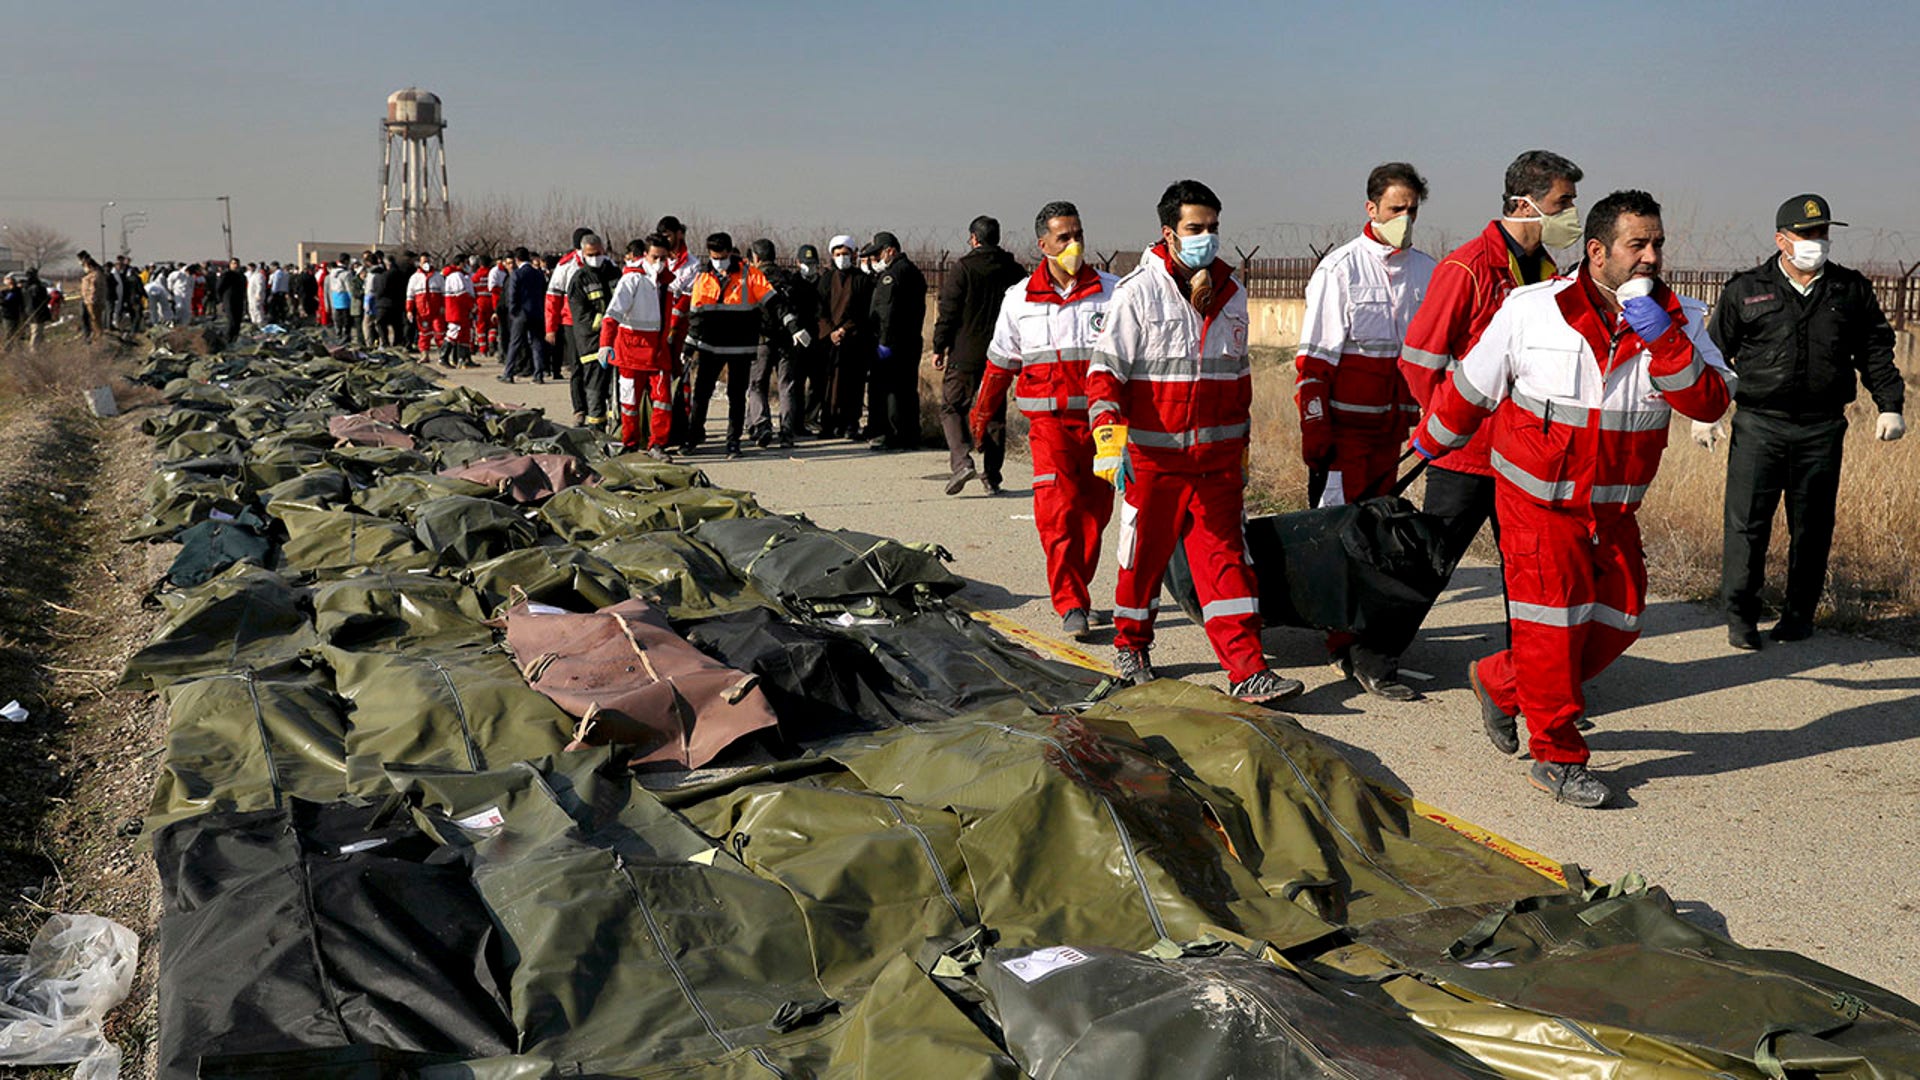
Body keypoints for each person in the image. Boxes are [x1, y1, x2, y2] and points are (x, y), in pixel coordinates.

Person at [1414, 190, 1733, 808]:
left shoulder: (1684, 319)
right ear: (1596, 252)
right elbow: (1471, 386)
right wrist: (1428, 444)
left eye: (1658, 245)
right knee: (1552, 630)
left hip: (1613, 511)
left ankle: (1498, 681)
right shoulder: (1532, 310)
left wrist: (1665, 341)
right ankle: (1555, 757)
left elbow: (1710, 402)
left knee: (1618, 621)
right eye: (1637, 245)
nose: (1651, 258)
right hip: (1537, 504)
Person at [1086, 179, 1302, 704]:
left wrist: (1244, 451)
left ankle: (1247, 670)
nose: (1206, 237)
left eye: (1213, 228)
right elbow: (1104, 375)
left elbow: (1239, 378)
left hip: (1217, 466)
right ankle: (1130, 647)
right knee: (1142, 562)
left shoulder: (1232, 293)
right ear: (1169, 233)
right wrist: (1109, 443)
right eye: (1195, 228)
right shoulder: (1138, 293)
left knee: (1227, 565)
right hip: (1153, 462)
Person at [1705, 195, 1905, 650]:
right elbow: (1715, 354)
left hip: (1821, 428)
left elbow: (1875, 349)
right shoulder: (1746, 289)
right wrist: (1709, 412)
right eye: (1807, 234)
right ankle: (1741, 618)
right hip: (1759, 425)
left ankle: (1799, 617)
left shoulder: (1849, 290)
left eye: (1822, 233)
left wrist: (1889, 403)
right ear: (1782, 239)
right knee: (1747, 526)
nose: (1817, 242)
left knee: (1812, 526)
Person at [1402, 150, 1584, 581]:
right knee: (1431, 566)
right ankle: (1373, 649)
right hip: (1466, 456)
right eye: (1563, 203)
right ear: (1525, 204)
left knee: (1527, 568)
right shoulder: (1467, 268)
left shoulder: (1546, 271)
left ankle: (1523, 650)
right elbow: (1418, 361)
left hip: (1525, 456)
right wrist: (1449, 425)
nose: (1571, 214)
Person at [1293, 162, 1438, 701]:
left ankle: (1366, 635)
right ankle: (1342, 640)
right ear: (1371, 209)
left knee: (1380, 540)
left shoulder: (1427, 272)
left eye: (1412, 210)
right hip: (1343, 439)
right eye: (1396, 208)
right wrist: (1316, 431)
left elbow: (1428, 358)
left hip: (1393, 437)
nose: (1404, 218)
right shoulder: (1340, 271)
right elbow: (1313, 365)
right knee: (1339, 541)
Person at [971, 200, 1118, 641]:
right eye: (1063, 238)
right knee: (1058, 511)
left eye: (1078, 235)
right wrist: (982, 414)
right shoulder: (1019, 300)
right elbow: (1000, 365)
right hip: (1049, 427)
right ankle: (1070, 601)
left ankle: (1080, 588)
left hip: (1102, 425)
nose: (1074, 244)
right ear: (1043, 245)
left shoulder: (1113, 292)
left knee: (1095, 513)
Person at [934, 215, 1026, 493]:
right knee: (995, 415)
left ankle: (962, 462)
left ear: (974, 238)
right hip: (1002, 353)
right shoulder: (1015, 271)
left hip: (966, 352)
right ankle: (992, 477)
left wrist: (940, 346)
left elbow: (948, 311)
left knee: (952, 407)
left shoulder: (963, 268)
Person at [683, 231, 783, 457]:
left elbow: (773, 301)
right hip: (710, 347)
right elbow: (696, 316)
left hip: (740, 348)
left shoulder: (750, 275)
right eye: (714, 256)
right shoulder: (703, 278)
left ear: (730, 252)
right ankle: (693, 437)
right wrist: (689, 346)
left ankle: (733, 441)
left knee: (736, 397)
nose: (718, 260)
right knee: (701, 395)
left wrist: (792, 323)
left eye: (722, 255)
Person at [599, 234, 678, 457]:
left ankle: (657, 445)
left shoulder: (667, 282)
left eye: (664, 258)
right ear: (645, 255)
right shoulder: (632, 280)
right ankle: (630, 443)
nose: (659, 262)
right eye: (655, 257)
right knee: (629, 401)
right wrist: (605, 344)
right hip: (630, 351)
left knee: (663, 401)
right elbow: (612, 314)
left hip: (658, 352)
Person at [743, 238, 815, 447]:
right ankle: (786, 433)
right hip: (788, 339)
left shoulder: (753, 278)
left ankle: (762, 425)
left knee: (757, 385)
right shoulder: (788, 278)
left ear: (755, 257)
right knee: (787, 385)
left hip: (762, 340)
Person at [864, 231, 927, 451]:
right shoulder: (913, 271)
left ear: (890, 250)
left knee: (891, 390)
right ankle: (910, 435)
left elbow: (886, 312)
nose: (876, 260)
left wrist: (884, 342)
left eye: (878, 254)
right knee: (907, 389)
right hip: (911, 340)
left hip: (892, 343)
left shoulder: (893, 275)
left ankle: (893, 434)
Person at [818, 234, 875, 439]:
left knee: (854, 383)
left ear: (853, 255)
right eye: (838, 254)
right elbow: (820, 309)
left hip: (854, 340)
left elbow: (866, 311)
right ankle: (829, 424)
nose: (842, 257)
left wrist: (845, 329)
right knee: (830, 383)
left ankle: (851, 424)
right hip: (830, 342)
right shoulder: (826, 279)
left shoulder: (862, 280)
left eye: (845, 254)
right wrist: (831, 331)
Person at [562, 234, 619, 427]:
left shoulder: (614, 273)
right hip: (591, 343)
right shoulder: (579, 280)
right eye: (591, 254)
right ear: (583, 254)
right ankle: (596, 428)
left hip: (616, 342)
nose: (595, 257)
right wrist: (608, 321)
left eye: (598, 253)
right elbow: (581, 317)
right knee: (595, 388)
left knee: (617, 389)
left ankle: (616, 427)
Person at [501, 248, 547, 384]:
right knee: (537, 343)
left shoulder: (517, 274)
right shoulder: (538, 274)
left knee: (515, 343)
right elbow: (544, 292)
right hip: (537, 312)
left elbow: (512, 295)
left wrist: (513, 312)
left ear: (516, 259)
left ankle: (508, 373)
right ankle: (539, 375)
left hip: (521, 314)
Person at [441, 255, 476, 367]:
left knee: (465, 334)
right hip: (456, 309)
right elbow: (461, 295)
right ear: (461, 263)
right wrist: (472, 305)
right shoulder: (455, 276)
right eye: (466, 263)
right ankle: (443, 357)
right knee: (453, 332)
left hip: (463, 309)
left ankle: (464, 359)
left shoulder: (463, 276)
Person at [407, 255, 443, 356]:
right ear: (420, 263)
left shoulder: (438, 276)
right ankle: (424, 354)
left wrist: (443, 307)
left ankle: (443, 355)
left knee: (439, 332)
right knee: (424, 333)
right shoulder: (415, 277)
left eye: (427, 261)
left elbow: (444, 292)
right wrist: (409, 310)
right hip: (422, 311)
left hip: (436, 311)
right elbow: (410, 295)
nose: (426, 264)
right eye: (424, 262)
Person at [77, 252, 109, 343]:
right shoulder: (93, 274)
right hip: (90, 300)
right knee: (93, 319)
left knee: (95, 319)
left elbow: (93, 289)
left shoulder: (95, 275)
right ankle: (95, 335)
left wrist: (91, 300)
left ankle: (98, 336)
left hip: (93, 301)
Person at [216, 258, 247, 342]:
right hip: (229, 299)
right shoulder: (226, 275)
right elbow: (219, 287)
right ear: (230, 265)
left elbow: (244, 288)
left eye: (237, 263)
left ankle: (234, 339)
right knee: (232, 321)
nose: (235, 265)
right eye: (233, 263)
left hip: (239, 300)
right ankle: (227, 339)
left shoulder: (242, 276)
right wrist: (220, 299)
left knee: (238, 321)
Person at [0, 273, 23, 349]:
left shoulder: (16, 291)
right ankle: (8, 349)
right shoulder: (5, 292)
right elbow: (4, 301)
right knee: (10, 334)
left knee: (14, 334)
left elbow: (6, 301)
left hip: (14, 315)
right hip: (8, 315)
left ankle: (11, 349)